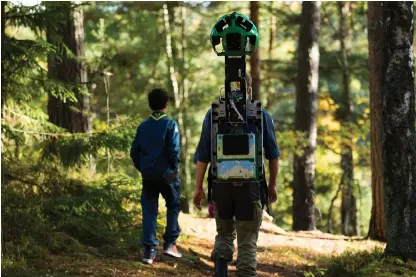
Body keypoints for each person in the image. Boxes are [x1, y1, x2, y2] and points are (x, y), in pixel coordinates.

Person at [193, 75, 280, 277]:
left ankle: (221, 272)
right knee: (247, 241)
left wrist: (199, 188)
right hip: (251, 188)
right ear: (248, 90)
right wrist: (272, 186)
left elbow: (203, 155)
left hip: (221, 187)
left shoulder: (213, 114)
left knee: (224, 233)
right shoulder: (261, 115)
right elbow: (273, 155)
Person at [130, 88, 182, 264]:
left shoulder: (143, 126)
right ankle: (170, 244)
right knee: (174, 204)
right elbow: (174, 151)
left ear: (149, 104)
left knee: (149, 210)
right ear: (166, 105)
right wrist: (174, 169)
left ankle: (149, 251)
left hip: (148, 175)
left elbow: (134, 152)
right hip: (167, 175)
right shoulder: (171, 125)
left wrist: (143, 168)